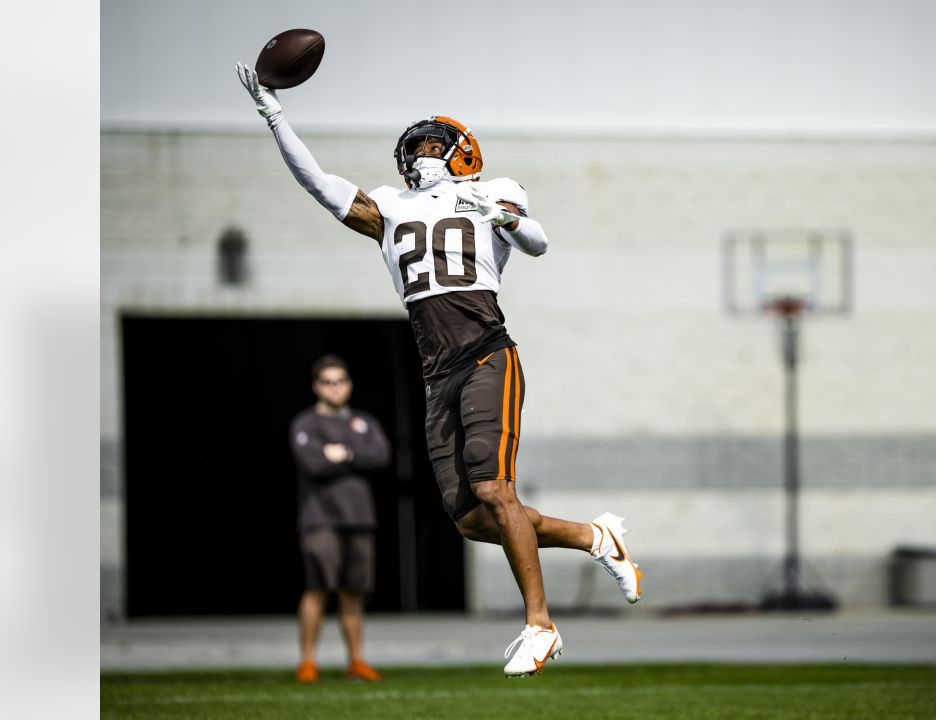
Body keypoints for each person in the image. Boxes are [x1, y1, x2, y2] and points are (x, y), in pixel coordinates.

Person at [237, 63, 643, 677]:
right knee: (476, 521)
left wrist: (500, 213)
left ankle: (540, 626)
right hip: (437, 374)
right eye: (415, 147)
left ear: (463, 154)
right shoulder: (393, 207)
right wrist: (276, 115)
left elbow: (538, 243)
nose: (423, 155)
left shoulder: (492, 188)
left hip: (487, 353)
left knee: (493, 489)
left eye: (435, 145)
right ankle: (595, 538)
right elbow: (320, 184)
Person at [290, 354, 391, 683]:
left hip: (359, 519)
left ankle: (356, 661)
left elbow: (381, 456)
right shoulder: (305, 424)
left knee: (353, 592)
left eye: (341, 381)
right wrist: (351, 456)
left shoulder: (363, 421)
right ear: (317, 386)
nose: (336, 388)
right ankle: (307, 662)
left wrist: (343, 453)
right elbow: (313, 463)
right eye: (328, 382)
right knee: (318, 588)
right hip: (320, 519)